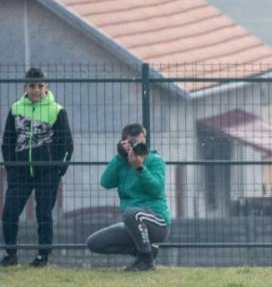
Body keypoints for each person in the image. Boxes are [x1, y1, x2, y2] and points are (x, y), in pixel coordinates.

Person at [2, 67, 73, 267]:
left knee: (43, 214)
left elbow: (66, 143)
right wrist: (12, 167)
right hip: (20, 172)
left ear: (46, 87)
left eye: (40, 86)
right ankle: (10, 255)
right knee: (9, 212)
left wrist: (59, 169)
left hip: (47, 172)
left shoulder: (57, 110)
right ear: (25, 87)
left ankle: (43, 256)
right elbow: (7, 141)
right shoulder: (15, 109)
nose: (36, 90)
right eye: (32, 86)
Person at [86, 124, 170, 272]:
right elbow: (106, 182)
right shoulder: (122, 162)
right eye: (133, 142)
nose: (138, 145)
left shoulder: (155, 160)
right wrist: (120, 157)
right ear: (124, 143)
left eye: (140, 141)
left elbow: (156, 189)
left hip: (157, 221)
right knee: (94, 242)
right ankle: (147, 253)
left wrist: (139, 168)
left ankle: (146, 261)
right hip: (133, 222)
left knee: (131, 213)